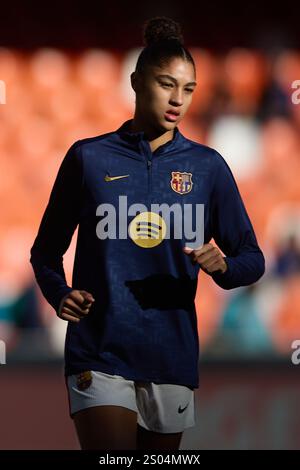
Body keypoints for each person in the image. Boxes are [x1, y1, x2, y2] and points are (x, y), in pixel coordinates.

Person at [29, 16, 265, 450]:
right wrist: (59, 293)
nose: (178, 99)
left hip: (170, 356)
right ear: (137, 82)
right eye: (166, 84)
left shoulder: (208, 167)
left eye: (189, 89)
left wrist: (225, 266)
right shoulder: (88, 158)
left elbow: (252, 260)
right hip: (99, 351)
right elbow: (45, 252)